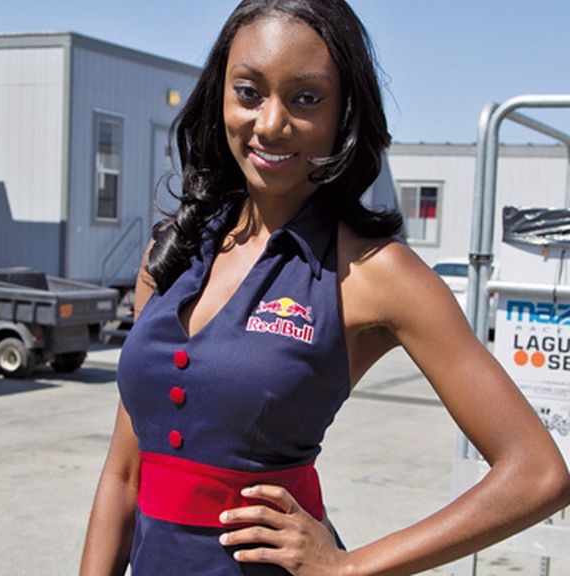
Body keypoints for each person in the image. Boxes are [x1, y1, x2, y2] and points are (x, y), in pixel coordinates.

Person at [80, 1, 570, 575]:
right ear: (221, 97)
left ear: (345, 113)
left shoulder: (376, 273)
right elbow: (124, 474)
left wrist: (349, 566)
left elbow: (537, 473)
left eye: (306, 98)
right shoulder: (170, 251)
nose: (270, 123)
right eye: (249, 92)